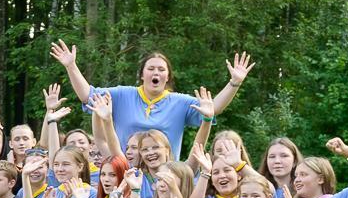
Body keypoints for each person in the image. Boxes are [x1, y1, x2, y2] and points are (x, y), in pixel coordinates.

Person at [51, 41, 253, 157]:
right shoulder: (122, 94)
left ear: (167, 77)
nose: (156, 72)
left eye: (161, 70)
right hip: (127, 170)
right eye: (151, 68)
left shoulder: (180, 102)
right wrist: (71, 66)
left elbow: (213, 109)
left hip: (166, 176)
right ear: (142, 74)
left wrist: (234, 83)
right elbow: (88, 95)